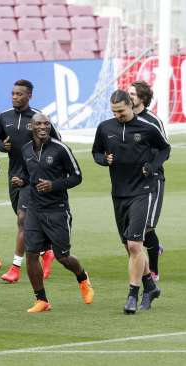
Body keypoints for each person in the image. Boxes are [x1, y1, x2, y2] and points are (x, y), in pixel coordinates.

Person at [92, 90, 169, 314]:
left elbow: (164, 149)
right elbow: (96, 152)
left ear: (130, 106)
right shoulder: (105, 128)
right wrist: (103, 160)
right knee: (129, 246)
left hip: (142, 191)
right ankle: (150, 287)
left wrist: (152, 167)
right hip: (119, 192)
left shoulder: (147, 127)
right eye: (114, 111)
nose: (118, 115)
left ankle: (132, 296)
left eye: (121, 111)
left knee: (135, 244)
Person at [15, 113, 94, 312]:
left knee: (63, 257)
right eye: (39, 124)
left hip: (57, 210)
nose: (43, 127)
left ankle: (83, 278)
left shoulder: (60, 149)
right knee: (31, 254)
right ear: (31, 127)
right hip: (34, 209)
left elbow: (77, 177)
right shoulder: (25, 150)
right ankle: (41, 300)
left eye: (47, 124)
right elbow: (27, 173)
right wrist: (21, 180)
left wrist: (54, 185)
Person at [0, 80, 60, 283]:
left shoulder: (38, 118)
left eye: (19, 94)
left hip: (33, 177)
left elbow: (57, 141)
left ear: (29, 96)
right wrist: (2, 146)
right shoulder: (4, 117)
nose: (15, 97)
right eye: (13, 93)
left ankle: (15, 267)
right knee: (27, 218)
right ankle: (47, 251)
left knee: (22, 218)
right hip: (13, 175)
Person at [128, 81, 167, 281]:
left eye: (133, 94)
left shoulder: (153, 121)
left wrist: (151, 166)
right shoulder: (124, 120)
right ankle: (155, 247)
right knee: (135, 229)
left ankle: (154, 271)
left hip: (153, 180)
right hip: (131, 183)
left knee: (147, 227)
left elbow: (164, 149)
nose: (129, 96)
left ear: (142, 98)